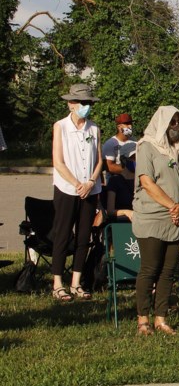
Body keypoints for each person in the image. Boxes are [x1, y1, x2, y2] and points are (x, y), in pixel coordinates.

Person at [132, 106, 179, 335]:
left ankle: (161, 318)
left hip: (175, 219)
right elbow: (147, 183)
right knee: (150, 269)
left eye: (178, 122)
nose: (175, 127)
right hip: (152, 216)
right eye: (171, 122)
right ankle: (143, 321)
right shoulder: (146, 147)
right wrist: (172, 206)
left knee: (168, 270)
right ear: (162, 124)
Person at [50, 83, 104, 301]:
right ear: (71, 104)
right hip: (66, 189)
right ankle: (57, 283)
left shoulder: (94, 128)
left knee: (84, 236)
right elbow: (58, 161)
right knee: (63, 235)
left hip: (90, 189)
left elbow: (99, 160)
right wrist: (76, 183)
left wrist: (91, 182)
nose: (86, 107)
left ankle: (76, 282)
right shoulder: (61, 126)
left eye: (89, 103)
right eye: (83, 103)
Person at [104, 141, 136, 222]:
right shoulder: (115, 181)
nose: (136, 160)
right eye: (133, 157)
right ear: (123, 160)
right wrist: (126, 212)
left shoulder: (144, 181)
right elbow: (110, 211)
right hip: (122, 223)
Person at [102, 113, 136, 178]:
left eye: (130, 123)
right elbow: (109, 166)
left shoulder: (134, 141)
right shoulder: (110, 144)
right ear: (119, 127)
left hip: (132, 179)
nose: (130, 126)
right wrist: (127, 172)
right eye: (126, 123)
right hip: (117, 179)